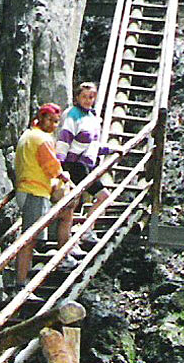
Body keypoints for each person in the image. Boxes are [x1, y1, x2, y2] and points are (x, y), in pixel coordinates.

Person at [13, 103, 80, 300]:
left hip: (28, 190)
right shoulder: (41, 139)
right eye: (49, 119)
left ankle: (62, 255)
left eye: (56, 122)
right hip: (34, 192)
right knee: (29, 240)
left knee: (64, 213)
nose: (52, 125)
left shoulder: (28, 135)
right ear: (40, 117)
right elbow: (52, 167)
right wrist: (65, 177)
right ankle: (21, 285)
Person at [56, 82, 117, 247]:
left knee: (94, 199)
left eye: (91, 97)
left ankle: (84, 232)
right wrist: (60, 165)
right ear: (77, 97)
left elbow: (93, 144)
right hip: (73, 165)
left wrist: (111, 150)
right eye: (84, 97)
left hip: (87, 165)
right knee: (98, 197)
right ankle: (81, 234)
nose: (88, 100)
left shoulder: (92, 117)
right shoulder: (73, 115)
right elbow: (64, 139)